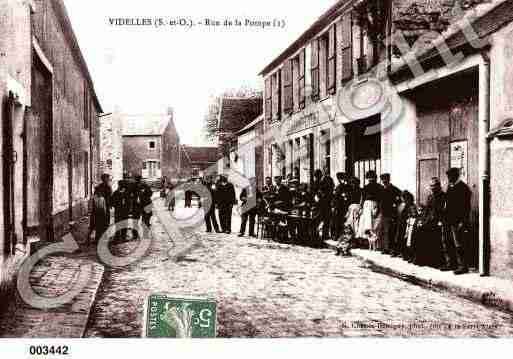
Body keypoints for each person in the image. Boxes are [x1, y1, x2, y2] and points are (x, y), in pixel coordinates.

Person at [445, 168, 472, 275]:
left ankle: (463, 266)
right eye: (448, 177)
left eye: (450, 177)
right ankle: (452, 264)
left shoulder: (463, 188)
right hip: (450, 220)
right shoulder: (450, 187)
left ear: (456, 176)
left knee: (460, 244)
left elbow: (466, 207)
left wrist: (463, 221)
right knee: (451, 242)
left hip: (459, 221)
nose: (449, 179)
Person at [418, 177, 447, 268]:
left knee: (437, 242)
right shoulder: (430, 196)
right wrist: (422, 220)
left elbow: (444, 210)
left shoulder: (443, 196)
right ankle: (427, 260)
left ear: (439, 186)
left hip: (438, 221)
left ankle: (438, 262)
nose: (433, 187)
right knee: (425, 238)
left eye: (434, 185)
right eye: (431, 186)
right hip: (429, 221)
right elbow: (426, 210)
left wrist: (440, 220)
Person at [358, 170, 383, 250]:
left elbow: (380, 199)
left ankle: (375, 244)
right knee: (367, 224)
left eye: (372, 178)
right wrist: (361, 208)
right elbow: (362, 198)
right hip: (367, 206)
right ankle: (368, 243)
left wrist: (378, 208)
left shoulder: (379, 187)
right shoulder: (365, 187)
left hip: (375, 205)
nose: (371, 179)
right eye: (369, 178)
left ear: (375, 178)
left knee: (375, 225)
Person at [380, 173, 402, 256]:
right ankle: (386, 248)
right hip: (383, 213)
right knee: (384, 231)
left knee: (391, 231)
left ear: (389, 179)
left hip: (391, 213)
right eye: (383, 180)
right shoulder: (382, 189)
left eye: (385, 180)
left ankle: (392, 249)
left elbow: (400, 197)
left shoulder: (394, 189)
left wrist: (395, 204)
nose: (384, 181)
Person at [90, 174, 112, 243]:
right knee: (103, 223)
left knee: (101, 224)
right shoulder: (107, 187)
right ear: (104, 179)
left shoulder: (100, 187)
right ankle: (101, 239)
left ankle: (99, 239)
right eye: (107, 178)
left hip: (100, 208)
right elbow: (96, 198)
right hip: (101, 208)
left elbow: (95, 197)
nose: (108, 180)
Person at [333, 172, 352, 240]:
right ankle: (337, 235)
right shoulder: (339, 186)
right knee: (338, 221)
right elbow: (335, 196)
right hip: (339, 205)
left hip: (344, 205)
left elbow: (348, 195)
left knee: (342, 221)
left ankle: (341, 235)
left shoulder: (346, 186)